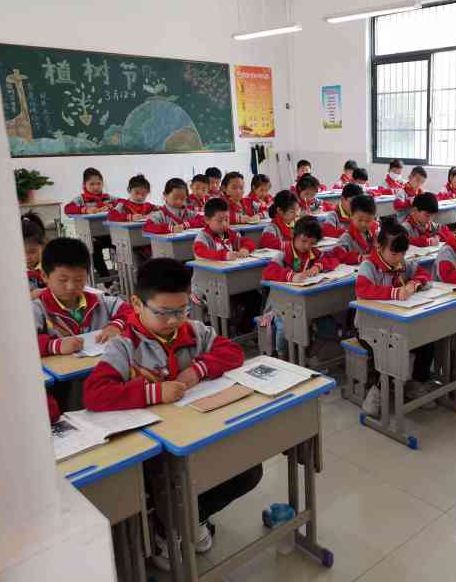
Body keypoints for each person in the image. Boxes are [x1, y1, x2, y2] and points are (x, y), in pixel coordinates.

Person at [82, 257, 262, 569]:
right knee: (168, 485)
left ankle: (192, 518)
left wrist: (198, 370)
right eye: (163, 312)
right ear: (137, 304)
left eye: (181, 310)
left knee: (249, 470)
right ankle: (166, 530)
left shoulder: (194, 331)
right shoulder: (124, 346)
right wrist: (154, 392)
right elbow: (95, 394)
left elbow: (232, 352)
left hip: (199, 431)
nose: (173, 321)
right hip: (156, 449)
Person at [355, 221, 433, 415]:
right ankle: (378, 391)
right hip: (370, 327)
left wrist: (413, 284)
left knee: (426, 340)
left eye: (403, 253)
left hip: (398, 324)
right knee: (392, 347)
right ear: (379, 246)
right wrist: (395, 293)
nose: (399, 258)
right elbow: (363, 290)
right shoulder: (369, 266)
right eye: (394, 253)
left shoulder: (402, 263)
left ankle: (415, 383)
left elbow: (424, 273)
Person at [32, 238, 133, 358]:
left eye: (79, 279)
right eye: (62, 280)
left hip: (99, 364)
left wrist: (115, 326)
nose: (71, 287)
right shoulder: (37, 309)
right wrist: (54, 345)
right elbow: (24, 341)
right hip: (65, 369)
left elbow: (130, 310)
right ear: (44, 276)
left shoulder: (99, 301)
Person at [261, 216, 340, 355]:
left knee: (327, 322)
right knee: (284, 326)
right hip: (281, 304)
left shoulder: (313, 253)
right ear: (294, 235)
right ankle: (282, 356)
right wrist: (291, 276)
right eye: (303, 241)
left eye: (312, 243)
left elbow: (333, 259)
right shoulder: (284, 253)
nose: (307, 246)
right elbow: (268, 272)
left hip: (307, 302)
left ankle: (311, 352)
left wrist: (318, 266)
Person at [193, 198, 260, 333]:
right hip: (208, 284)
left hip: (229, 281)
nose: (224, 224)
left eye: (227, 219)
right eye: (219, 221)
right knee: (221, 304)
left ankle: (243, 330)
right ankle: (220, 333)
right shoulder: (203, 237)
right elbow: (200, 252)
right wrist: (224, 255)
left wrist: (245, 249)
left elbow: (248, 242)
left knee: (255, 297)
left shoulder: (230, 233)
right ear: (207, 220)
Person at [64, 167, 117, 278]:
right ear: (84, 185)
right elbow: (67, 209)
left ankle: (122, 277)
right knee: (94, 251)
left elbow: (123, 203)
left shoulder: (107, 197)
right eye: (92, 184)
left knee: (122, 247)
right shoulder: (81, 199)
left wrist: (111, 206)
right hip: (92, 237)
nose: (96, 187)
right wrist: (85, 210)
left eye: (98, 183)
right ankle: (108, 281)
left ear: (102, 184)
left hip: (110, 235)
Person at [332, 194, 378, 265]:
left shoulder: (375, 233)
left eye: (368, 221)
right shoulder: (347, 237)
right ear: (351, 216)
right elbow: (339, 255)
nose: (363, 224)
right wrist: (360, 258)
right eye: (360, 220)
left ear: (374, 218)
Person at [22, 211, 46, 299]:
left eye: (32, 251)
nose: (27, 257)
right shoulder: (14, 272)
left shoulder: (49, 267)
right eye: (21, 253)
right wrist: (30, 296)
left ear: (42, 246)